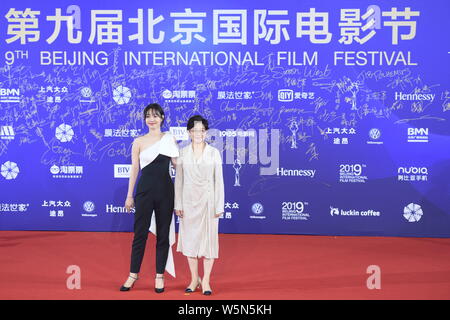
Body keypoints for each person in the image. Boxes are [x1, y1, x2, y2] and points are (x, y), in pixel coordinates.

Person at [120, 103, 179, 293]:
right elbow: (134, 169)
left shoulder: (169, 139)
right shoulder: (138, 141)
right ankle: (132, 274)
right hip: (144, 192)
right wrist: (130, 195)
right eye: (148, 116)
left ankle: (159, 276)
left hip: (166, 192)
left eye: (155, 115)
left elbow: (178, 166)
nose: (151, 119)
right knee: (140, 235)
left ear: (162, 117)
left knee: (163, 235)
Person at [174, 115, 225, 295]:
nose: (198, 133)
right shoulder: (182, 153)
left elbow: (219, 181)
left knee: (209, 243)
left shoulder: (214, 153)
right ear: (189, 132)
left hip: (209, 203)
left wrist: (219, 205)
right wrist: (177, 203)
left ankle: (206, 281)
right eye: (195, 130)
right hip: (188, 203)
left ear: (206, 132)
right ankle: (194, 278)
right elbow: (178, 180)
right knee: (190, 242)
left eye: (202, 130)